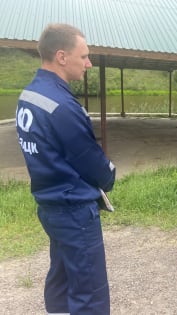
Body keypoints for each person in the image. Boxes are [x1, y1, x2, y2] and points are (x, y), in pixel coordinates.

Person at [16, 24, 116, 314]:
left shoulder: (29, 95)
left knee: (61, 277)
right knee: (89, 291)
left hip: (50, 206)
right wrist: (110, 175)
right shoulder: (62, 106)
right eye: (84, 56)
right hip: (74, 211)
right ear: (61, 56)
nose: (89, 63)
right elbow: (93, 162)